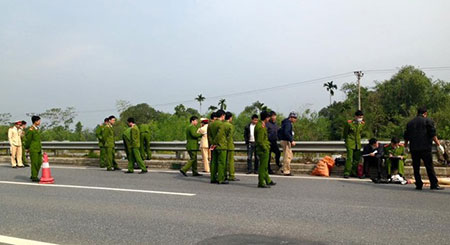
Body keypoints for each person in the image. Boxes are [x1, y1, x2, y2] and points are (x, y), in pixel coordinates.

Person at [404, 107, 444, 190]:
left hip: (414, 148)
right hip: (425, 147)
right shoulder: (428, 121)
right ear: (425, 113)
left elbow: (406, 136)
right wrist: (438, 145)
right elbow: (433, 134)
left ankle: (418, 184)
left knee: (416, 167)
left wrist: (405, 146)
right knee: (429, 166)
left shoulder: (410, 123)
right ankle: (433, 184)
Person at [255, 111, 276, 188]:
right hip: (262, 149)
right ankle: (261, 182)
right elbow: (260, 140)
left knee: (265, 166)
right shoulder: (261, 127)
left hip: (264, 148)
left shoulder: (262, 125)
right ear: (266, 118)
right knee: (262, 167)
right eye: (268, 117)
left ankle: (268, 180)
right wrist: (265, 148)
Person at [208, 110, 228, 184]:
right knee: (221, 163)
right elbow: (219, 135)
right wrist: (215, 143)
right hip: (221, 145)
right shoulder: (221, 124)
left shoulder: (211, 124)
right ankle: (220, 178)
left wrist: (212, 144)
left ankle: (213, 178)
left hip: (213, 146)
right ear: (222, 115)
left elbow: (209, 135)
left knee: (213, 162)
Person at [343, 110, 365, 178]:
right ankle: (347, 172)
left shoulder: (362, 124)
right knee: (350, 158)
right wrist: (347, 141)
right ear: (355, 116)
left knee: (356, 159)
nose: (360, 118)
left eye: (361, 117)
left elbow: (361, 133)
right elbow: (345, 133)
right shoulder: (349, 123)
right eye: (359, 117)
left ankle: (354, 172)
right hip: (350, 142)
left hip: (357, 143)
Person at [278, 112, 298, 176]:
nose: (295, 119)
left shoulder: (286, 123)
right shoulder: (288, 124)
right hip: (285, 141)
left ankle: (283, 169)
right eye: (294, 118)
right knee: (287, 156)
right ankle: (286, 171)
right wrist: (291, 140)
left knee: (289, 155)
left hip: (285, 140)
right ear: (291, 117)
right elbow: (286, 132)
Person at [25, 116, 42, 182]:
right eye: (39, 121)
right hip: (33, 148)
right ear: (35, 121)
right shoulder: (31, 130)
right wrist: (27, 147)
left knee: (39, 163)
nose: (40, 122)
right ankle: (34, 177)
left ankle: (33, 174)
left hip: (38, 148)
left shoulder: (37, 129)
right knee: (34, 163)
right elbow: (28, 140)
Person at [224, 112, 238, 181]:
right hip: (229, 145)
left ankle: (224, 174)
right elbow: (230, 136)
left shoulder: (222, 124)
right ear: (230, 118)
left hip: (223, 145)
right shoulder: (230, 126)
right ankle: (231, 175)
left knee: (224, 161)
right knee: (230, 161)